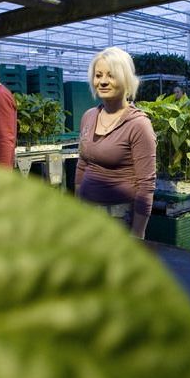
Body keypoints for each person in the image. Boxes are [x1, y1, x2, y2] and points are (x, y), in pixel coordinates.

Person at [75, 46, 156, 238]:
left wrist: (138, 233)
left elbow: (146, 184)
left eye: (111, 76)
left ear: (126, 79)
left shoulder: (139, 125)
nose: (102, 81)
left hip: (119, 219)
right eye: (98, 75)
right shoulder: (89, 116)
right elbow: (82, 165)